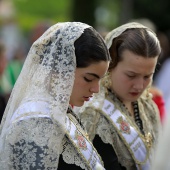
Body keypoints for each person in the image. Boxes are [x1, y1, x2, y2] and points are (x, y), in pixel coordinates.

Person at [0, 22, 111, 170]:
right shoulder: (34, 125)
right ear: (60, 69)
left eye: (100, 80)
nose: (96, 88)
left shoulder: (61, 110)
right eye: (89, 79)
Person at [78, 22, 161, 170]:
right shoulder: (94, 115)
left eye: (147, 76)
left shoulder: (148, 105)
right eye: (131, 75)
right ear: (111, 65)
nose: (139, 86)